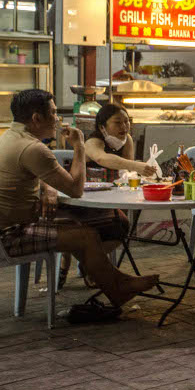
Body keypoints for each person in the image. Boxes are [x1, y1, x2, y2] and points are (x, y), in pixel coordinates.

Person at [0, 89, 158, 307]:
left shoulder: (11, 137)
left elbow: (38, 175)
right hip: (3, 236)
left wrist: (47, 188)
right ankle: (117, 288)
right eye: (54, 113)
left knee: (83, 226)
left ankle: (116, 282)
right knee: (85, 236)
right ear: (37, 119)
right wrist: (79, 146)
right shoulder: (32, 148)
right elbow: (76, 190)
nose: (58, 119)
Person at [57, 103, 153, 289]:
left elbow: (125, 171)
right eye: (117, 123)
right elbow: (102, 158)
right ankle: (89, 265)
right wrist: (137, 166)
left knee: (120, 224)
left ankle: (89, 263)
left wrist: (134, 171)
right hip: (78, 200)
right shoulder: (94, 142)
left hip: (105, 198)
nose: (124, 127)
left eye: (127, 122)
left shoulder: (127, 141)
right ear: (102, 126)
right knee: (108, 225)